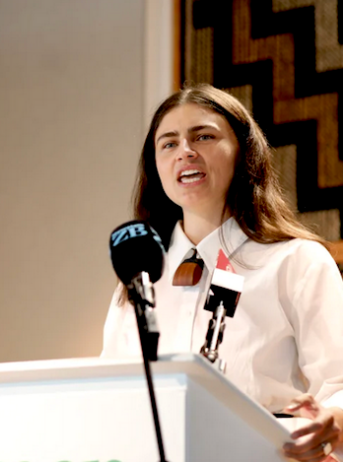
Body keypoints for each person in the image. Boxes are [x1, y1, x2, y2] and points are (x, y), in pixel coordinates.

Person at [101, 84, 343, 462]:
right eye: (168, 143)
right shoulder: (139, 276)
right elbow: (111, 393)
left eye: (204, 136)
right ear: (156, 167)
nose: (185, 151)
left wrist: (333, 421)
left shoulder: (296, 262)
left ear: (244, 152)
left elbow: (339, 383)